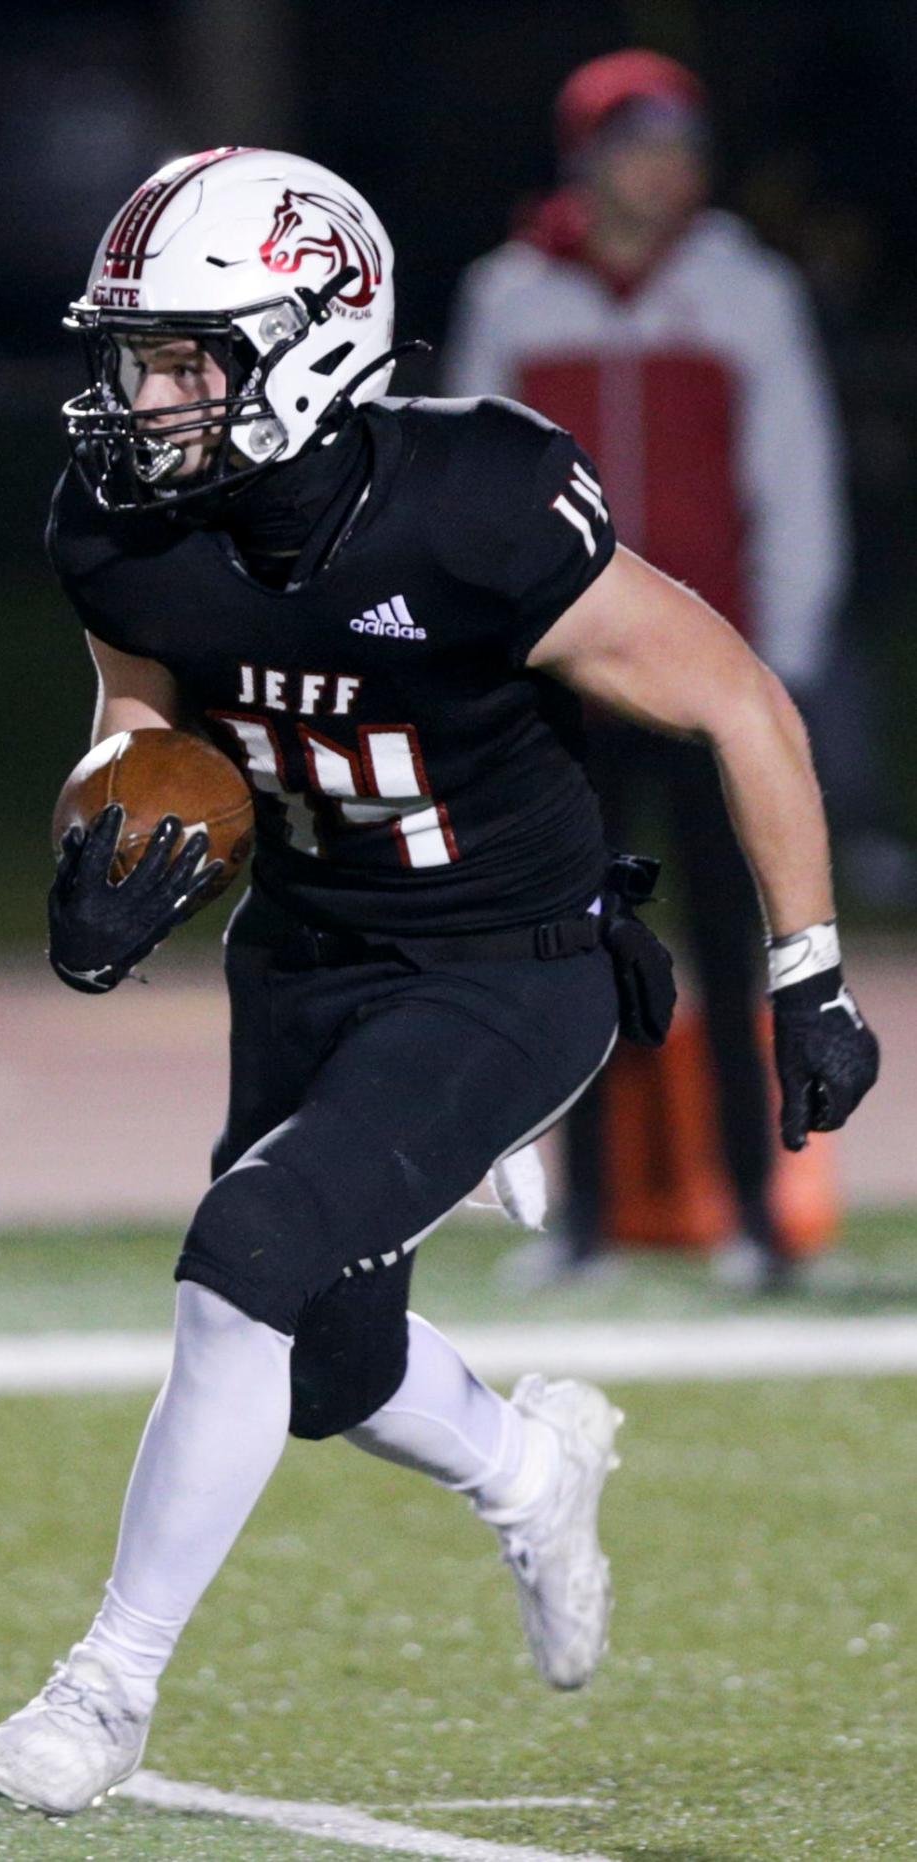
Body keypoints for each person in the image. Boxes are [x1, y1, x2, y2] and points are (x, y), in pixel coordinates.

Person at [0, 146, 878, 1817]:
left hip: (513, 958)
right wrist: (105, 831)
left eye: (182, 357)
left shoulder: (476, 502)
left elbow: (739, 699)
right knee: (321, 1357)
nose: (140, 397)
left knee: (244, 1249)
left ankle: (105, 1691)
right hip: (307, 945)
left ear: (311, 341)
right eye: (134, 356)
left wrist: (805, 974)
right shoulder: (122, 524)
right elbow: (138, 718)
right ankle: (530, 1465)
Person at [442, 50, 853, 1286]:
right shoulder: (513, 296)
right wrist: (491, 656)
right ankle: (584, 1226)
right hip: (564, 683)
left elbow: (797, 481)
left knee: (744, 951)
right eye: (636, 142)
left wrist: (772, 670)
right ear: (587, 158)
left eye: (679, 143)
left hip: (709, 681)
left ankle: (759, 1218)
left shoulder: (745, 290)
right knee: (573, 951)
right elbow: (470, 493)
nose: (661, 169)